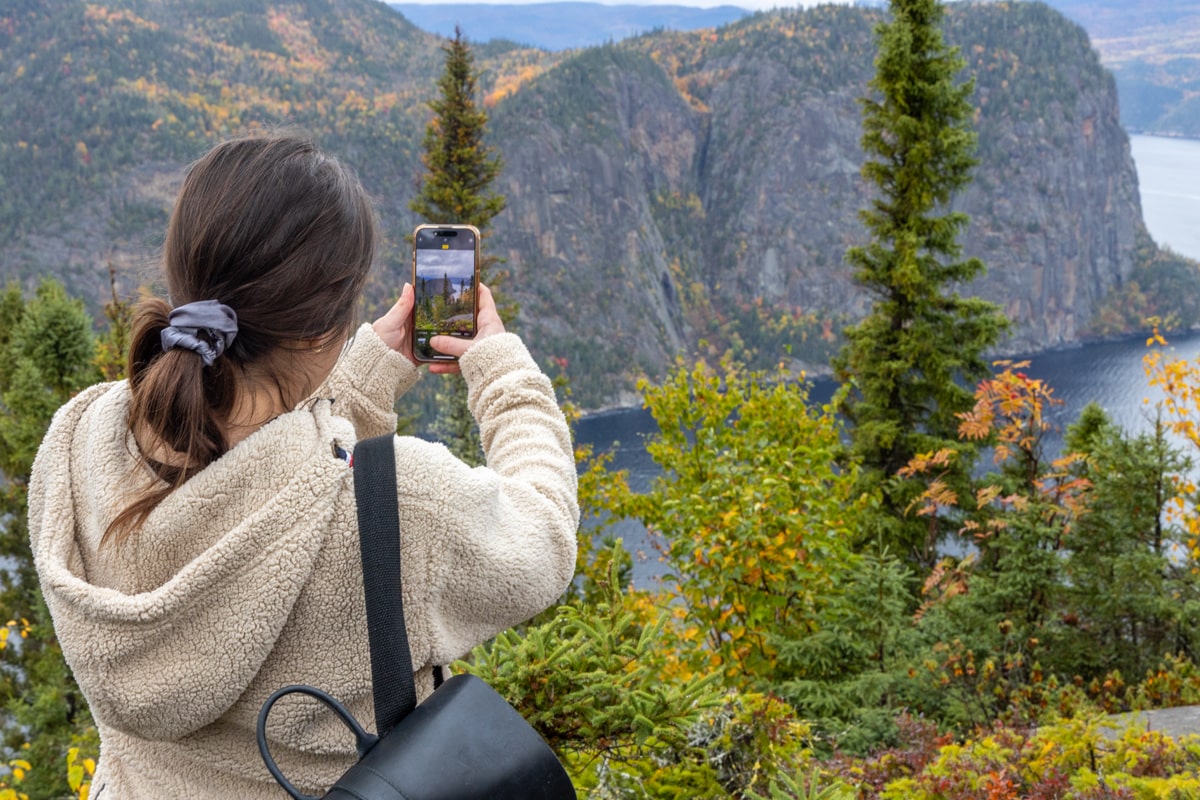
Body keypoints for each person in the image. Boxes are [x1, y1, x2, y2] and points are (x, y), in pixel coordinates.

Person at [28, 134, 579, 799]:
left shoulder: (78, 444)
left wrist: (368, 372)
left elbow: (252, 468)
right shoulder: (410, 504)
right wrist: (502, 370)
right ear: (323, 328)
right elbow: (544, 535)